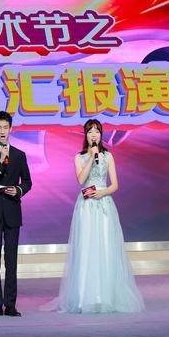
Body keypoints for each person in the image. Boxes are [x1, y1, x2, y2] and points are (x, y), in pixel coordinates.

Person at [47, 119, 144, 314]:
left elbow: (115, 184)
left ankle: (106, 296)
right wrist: (91, 157)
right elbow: (81, 180)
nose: (94, 135)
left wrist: (103, 192)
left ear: (101, 135)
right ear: (86, 135)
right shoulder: (79, 157)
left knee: (106, 246)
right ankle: (85, 297)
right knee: (86, 247)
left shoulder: (108, 156)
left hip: (104, 203)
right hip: (86, 206)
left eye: (97, 131)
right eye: (90, 131)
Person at [0, 111, 32, 317]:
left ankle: (10, 305)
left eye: (5, 127)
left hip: (12, 211)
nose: (2, 131)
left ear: (11, 129)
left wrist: (18, 190)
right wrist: (0, 162)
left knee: (11, 261)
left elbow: (27, 181)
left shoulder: (19, 155)